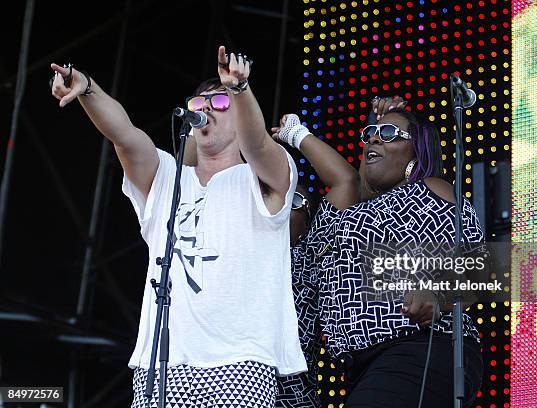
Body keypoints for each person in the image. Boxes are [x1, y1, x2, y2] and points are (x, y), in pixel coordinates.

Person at [50, 46, 306, 407]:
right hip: (159, 363)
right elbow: (125, 136)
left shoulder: (262, 180)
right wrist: (89, 89)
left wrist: (238, 89)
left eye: (218, 105)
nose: (205, 112)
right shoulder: (167, 177)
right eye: (199, 106)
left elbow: (259, 142)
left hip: (240, 362)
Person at [318, 105, 485, 407]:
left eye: (389, 134)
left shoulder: (432, 189)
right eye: (369, 135)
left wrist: (438, 294)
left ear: (417, 150)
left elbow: (476, 263)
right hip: (364, 365)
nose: (373, 140)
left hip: (420, 347)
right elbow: (357, 185)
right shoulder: (363, 210)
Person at [270, 114, 360, 407]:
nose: (282, 208)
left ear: (310, 222)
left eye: (293, 202)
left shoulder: (309, 254)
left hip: (290, 396)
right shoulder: (234, 245)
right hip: (224, 389)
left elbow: (346, 181)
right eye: (273, 197)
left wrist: (296, 134)